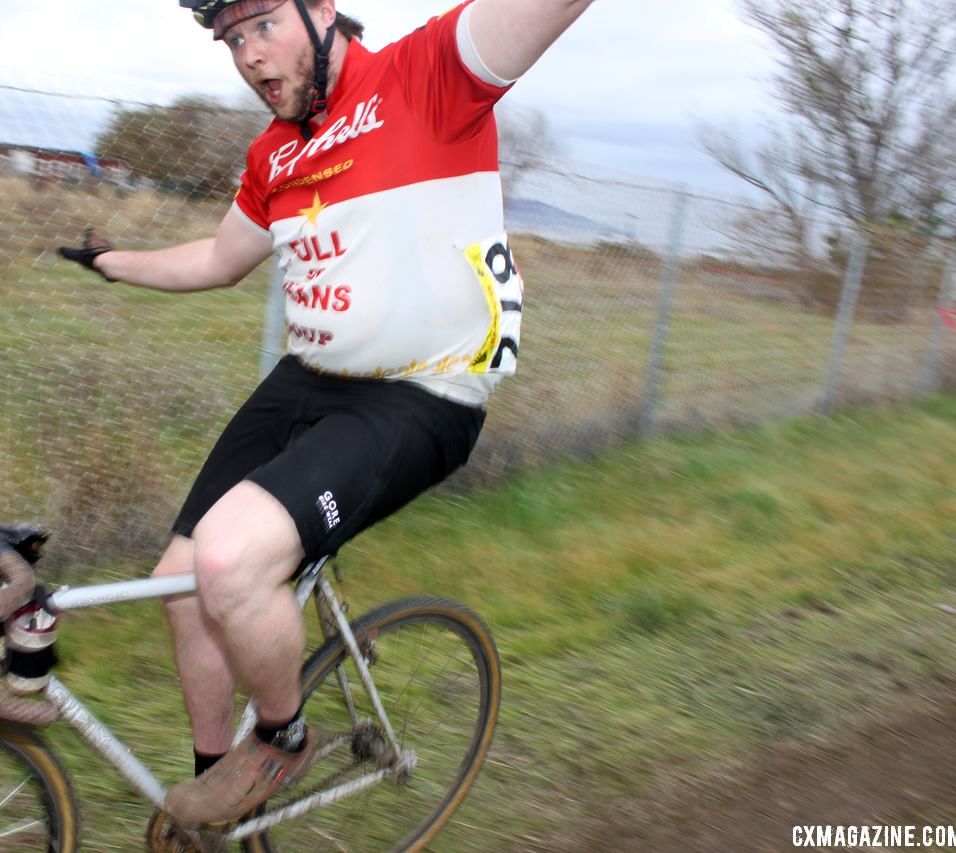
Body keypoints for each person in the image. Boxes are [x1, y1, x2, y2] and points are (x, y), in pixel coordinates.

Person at [58, 0, 594, 827]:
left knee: (231, 563)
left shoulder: (428, 75)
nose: (247, 55)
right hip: (310, 378)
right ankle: (217, 794)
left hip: (422, 392)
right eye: (231, 40)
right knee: (178, 580)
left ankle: (282, 737)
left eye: (262, 25)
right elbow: (217, 257)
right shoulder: (275, 152)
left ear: (322, 9)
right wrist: (110, 262)